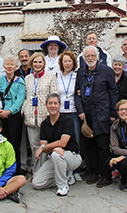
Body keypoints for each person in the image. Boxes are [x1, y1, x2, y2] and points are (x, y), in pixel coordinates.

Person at [74, 46, 118, 188]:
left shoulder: (106, 71)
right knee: (90, 146)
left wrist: (113, 113)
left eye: (93, 55)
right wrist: (80, 110)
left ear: (97, 56)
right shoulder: (81, 72)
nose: (90, 58)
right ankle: (93, 172)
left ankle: (106, 175)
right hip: (87, 115)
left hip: (102, 114)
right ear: (84, 58)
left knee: (102, 146)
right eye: (87, 56)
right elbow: (76, 93)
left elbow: (113, 92)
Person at [32, 94, 82, 196]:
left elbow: (62, 143)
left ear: (59, 105)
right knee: (37, 183)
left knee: (56, 154)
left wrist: (46, 148)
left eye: (55, 103)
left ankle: (62, 186)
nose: (53, 106)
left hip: (72, 157)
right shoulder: (44, 124)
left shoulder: (67, 120)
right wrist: (49, 148)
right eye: (50, 103)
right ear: (45, 105)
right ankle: (65, 177)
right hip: (55, 159)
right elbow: (44, 147)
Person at [22, 52, 57, 174]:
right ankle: (36, 171)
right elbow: (25, 96)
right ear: (32, 63)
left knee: (46, 145)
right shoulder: (27, 79)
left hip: (45, 115)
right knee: (34, 145)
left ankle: (47, 171)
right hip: (31, 116)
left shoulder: (50, 76)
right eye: (35, 62)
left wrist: (52, 112)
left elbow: (54, 95)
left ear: (43, 63)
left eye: (40, 62)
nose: (37, 64)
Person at [0, 55, 25, 175]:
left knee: (14, 144)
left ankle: (15, 170)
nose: (9, 67)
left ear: (15, 66)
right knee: (0, 143)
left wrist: (9, 111)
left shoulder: (20, 82)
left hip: (13, 116)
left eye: (12, 64)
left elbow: (20, 99)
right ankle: (1, 169)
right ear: (4, 66)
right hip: (0, 116)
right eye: (7, 64)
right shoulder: (0, 81)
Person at [56, 50, 82, 181]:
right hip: (60, 114)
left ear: (73, 63)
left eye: (69, 61)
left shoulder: (77, 76)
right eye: (65, 61)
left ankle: (76, 170)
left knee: (75, 141)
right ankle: (63, 169)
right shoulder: (56, 76)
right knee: (61, 143)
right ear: (61, 63)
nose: (67, 63)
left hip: (73, 112)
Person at [14, 48, 31, 175]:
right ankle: (23, 164)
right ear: (19, 59)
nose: (24, 58)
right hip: (18, 110)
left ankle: (36, 165)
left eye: (26, 56)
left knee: (34, 138)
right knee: (22, 138)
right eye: (22, 56)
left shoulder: (35, 70)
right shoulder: (15, 74)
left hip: (32, 109)